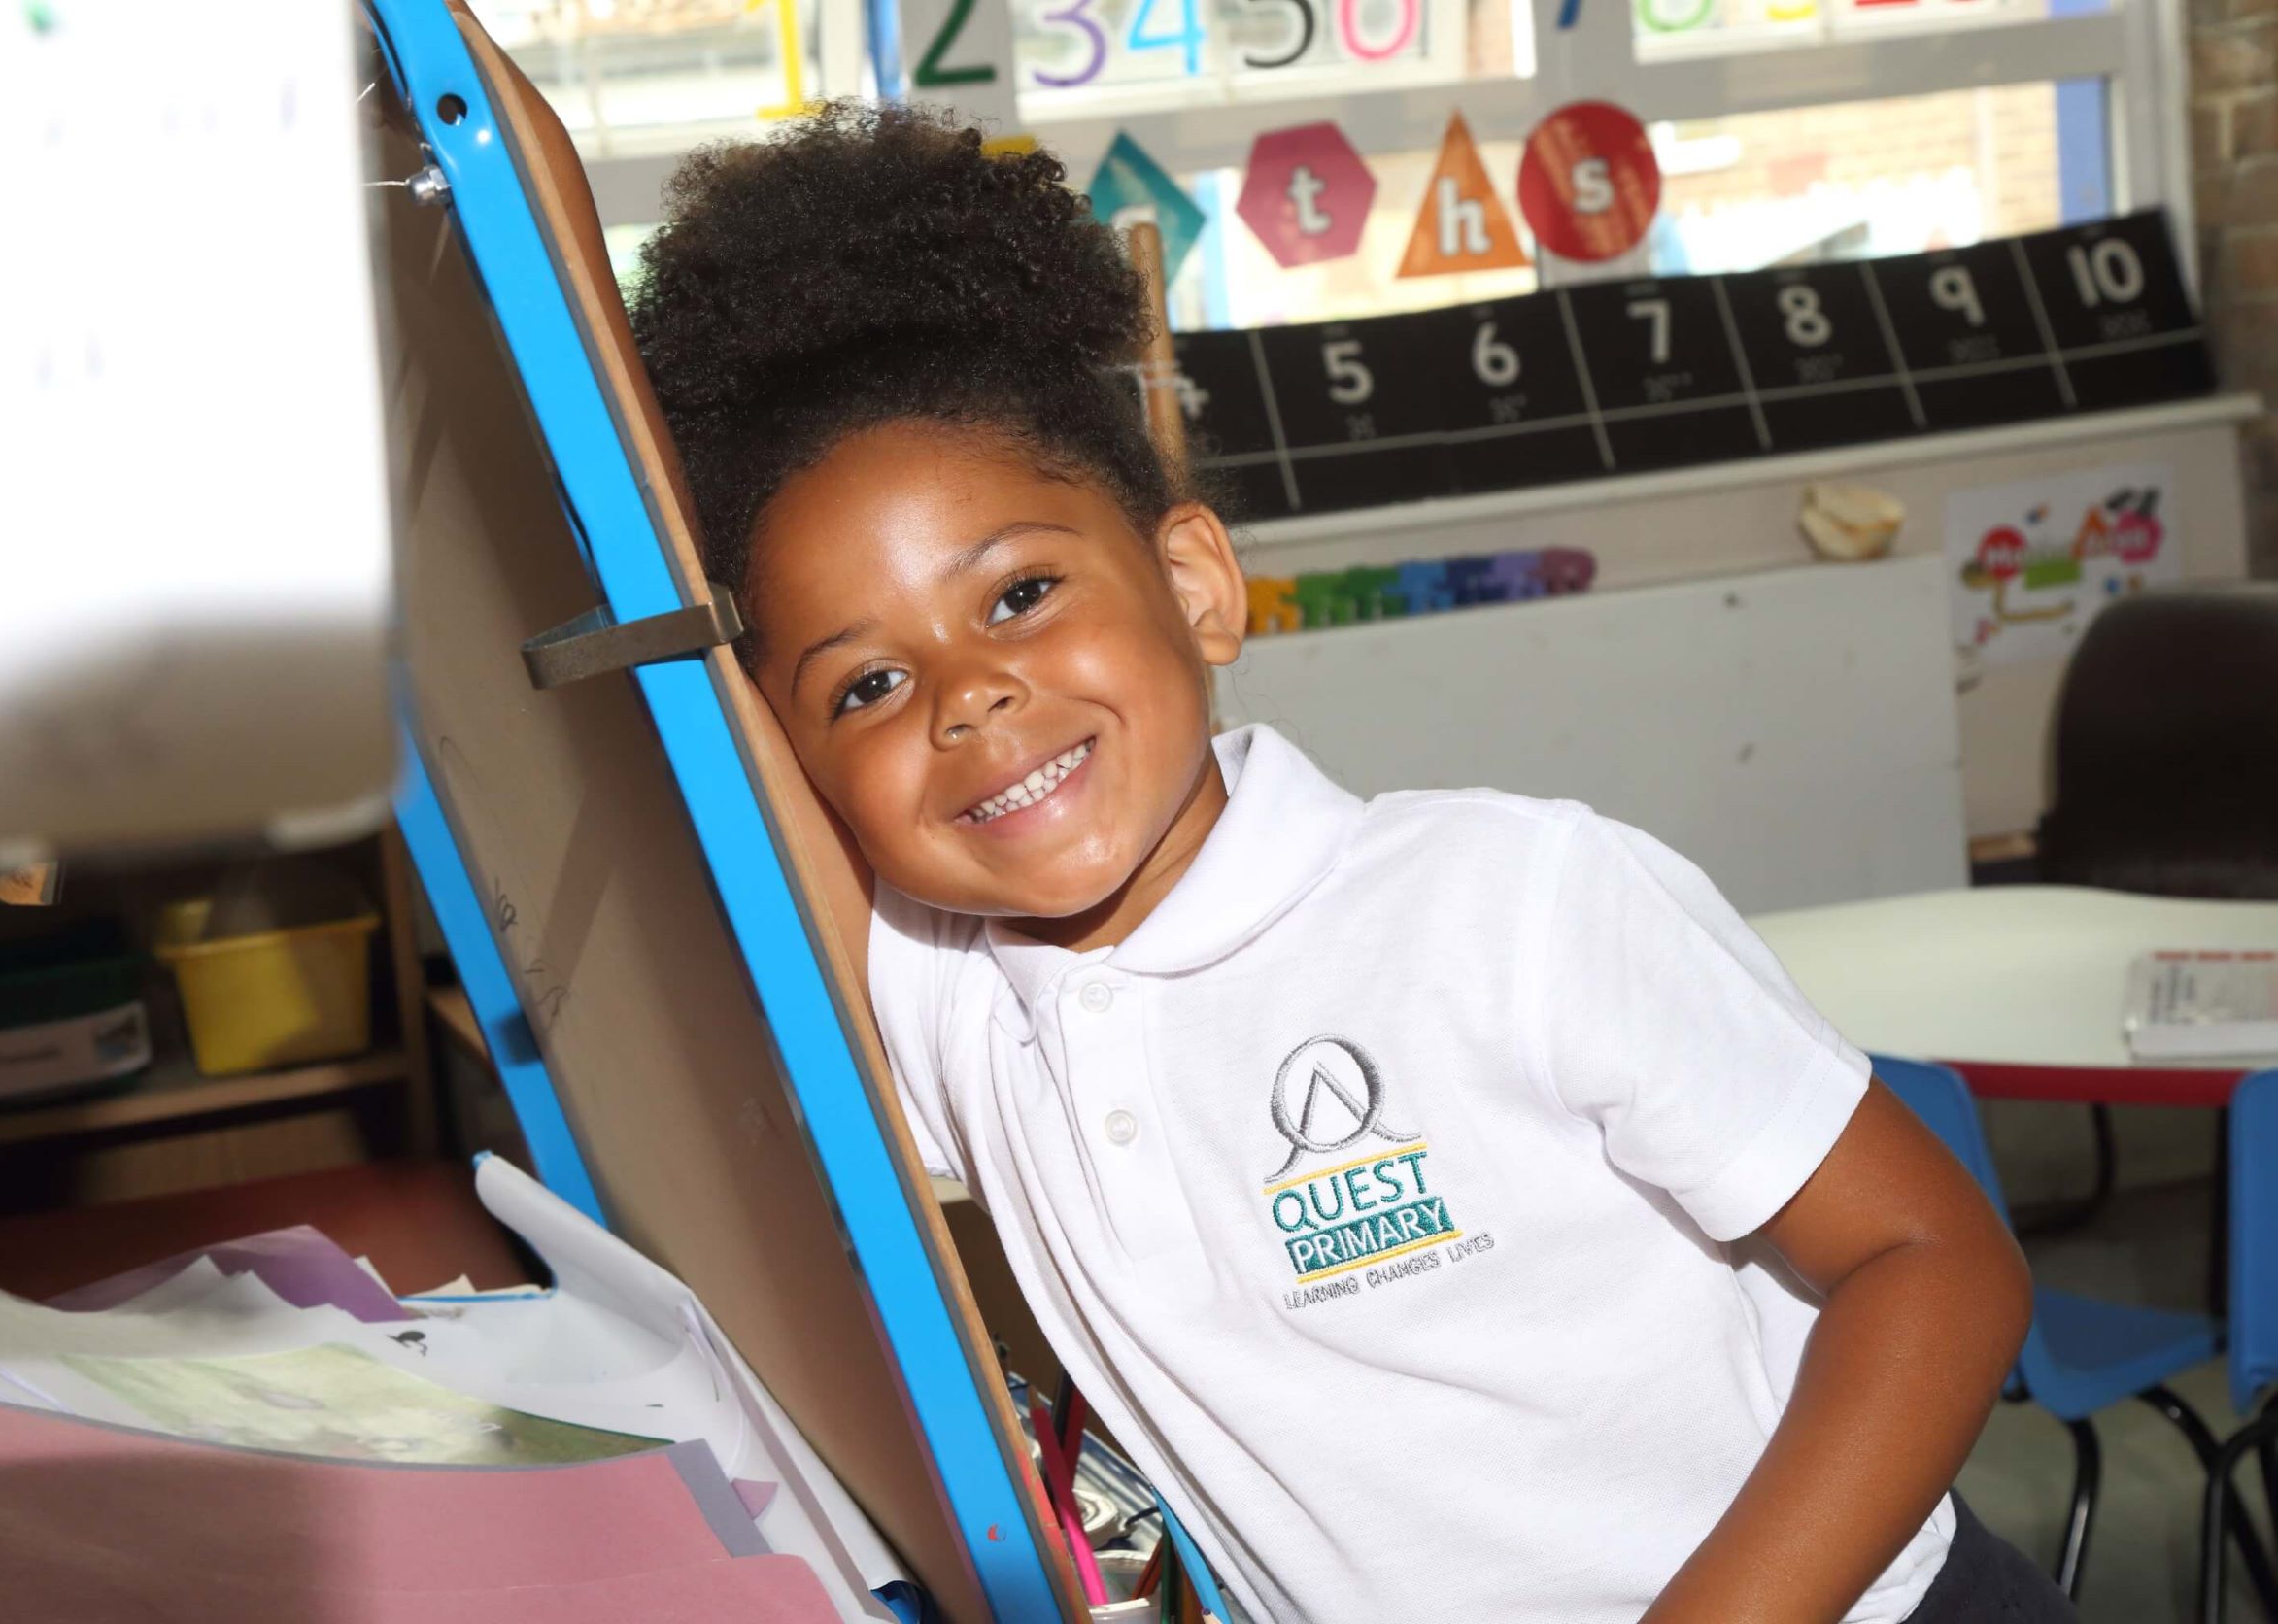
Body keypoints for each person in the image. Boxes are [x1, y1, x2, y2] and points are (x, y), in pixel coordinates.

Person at [628, 101, 2070, 1624]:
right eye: (867, 684)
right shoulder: (948, 1004)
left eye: (1022, 594)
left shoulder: (1514, 903)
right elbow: (648, 605)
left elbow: (1935, 1259)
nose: (964, 696)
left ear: (1196, 585)